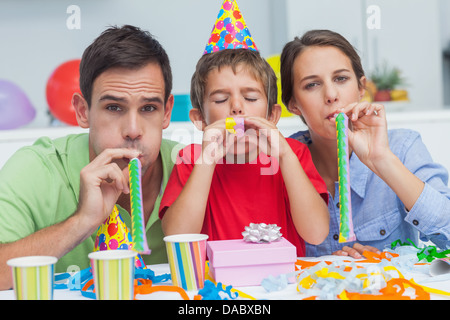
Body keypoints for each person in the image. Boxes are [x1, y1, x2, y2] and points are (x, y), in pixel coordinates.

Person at [0, 25, 182, 290]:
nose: (133, 130)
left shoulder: (192, 171)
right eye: (114, 107)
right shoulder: (34, 169)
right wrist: (82, 221)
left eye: (148, 108)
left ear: (166, 113)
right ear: (83, 111)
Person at [280, 29, 450, 258]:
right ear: (293, 104)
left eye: (340, 78)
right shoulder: (278, 162)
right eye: (312, 84)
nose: (331, 95)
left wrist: (381, 160)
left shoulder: (403, 147)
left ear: (362, 88)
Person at [159, 48, 329, 257]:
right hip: (215, 286)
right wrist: (206, 161)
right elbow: (178, 238)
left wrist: (285, 157)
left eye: (250, 97)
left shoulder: (293, 154)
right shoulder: (191, 159)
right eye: (221, 99)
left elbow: (317, 234)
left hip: (284, 284)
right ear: (200, 120)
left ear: (272, 115)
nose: (237, 108)